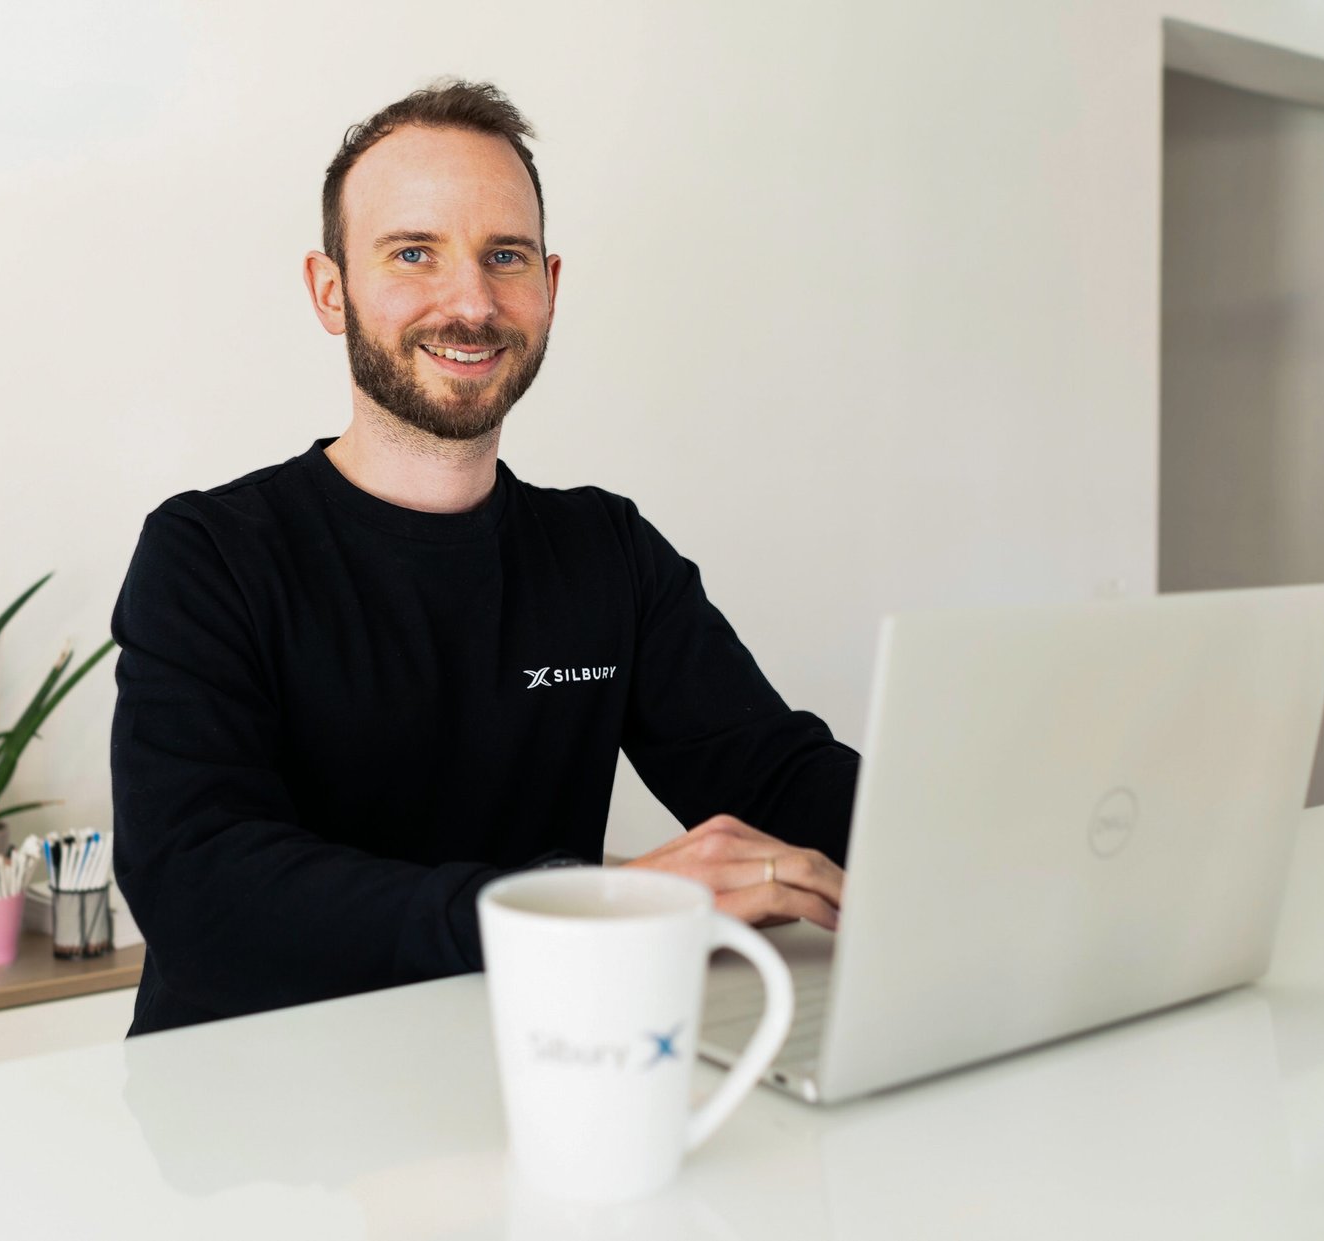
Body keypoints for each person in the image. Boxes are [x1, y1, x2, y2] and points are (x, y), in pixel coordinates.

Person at [110, 79, 859, 1037]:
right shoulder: (209, 555)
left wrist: (986, 836)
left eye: (505, 256)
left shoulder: (607, 552)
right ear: (331, 290)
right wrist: (579, 911)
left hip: (535, 1073)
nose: (470, 302)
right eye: (413, 252)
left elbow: (781, 781)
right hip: (258, 1106)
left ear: (549, 286)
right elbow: (204, 894)